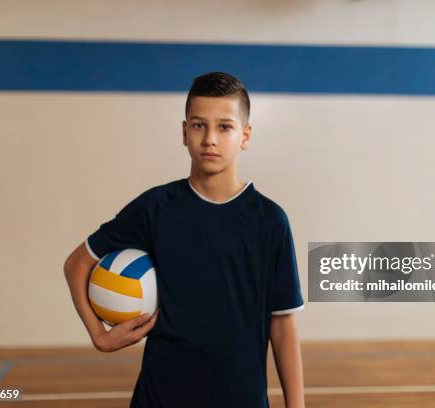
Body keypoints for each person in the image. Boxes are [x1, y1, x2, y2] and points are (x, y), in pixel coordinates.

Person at [63, 71, 305, 407]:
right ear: (183, 132)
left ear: (245, 135)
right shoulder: (156, 208)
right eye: (198, 125)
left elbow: (282, 324)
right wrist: (100, 337)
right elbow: (77, 264)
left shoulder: (269, 221)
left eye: (224, 126)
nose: (209, 139)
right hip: (160, 397)